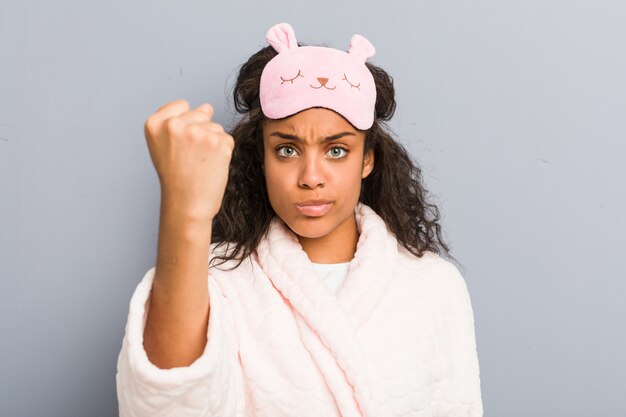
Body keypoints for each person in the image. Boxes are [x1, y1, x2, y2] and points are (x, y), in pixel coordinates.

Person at [116, 22, 483, 417]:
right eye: (287, 150)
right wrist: (183, 209)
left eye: (337, 150)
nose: (310, 177)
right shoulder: (217, 281)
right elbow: (171, 402)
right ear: (261, 157)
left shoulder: (434, 286)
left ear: (368, 159)